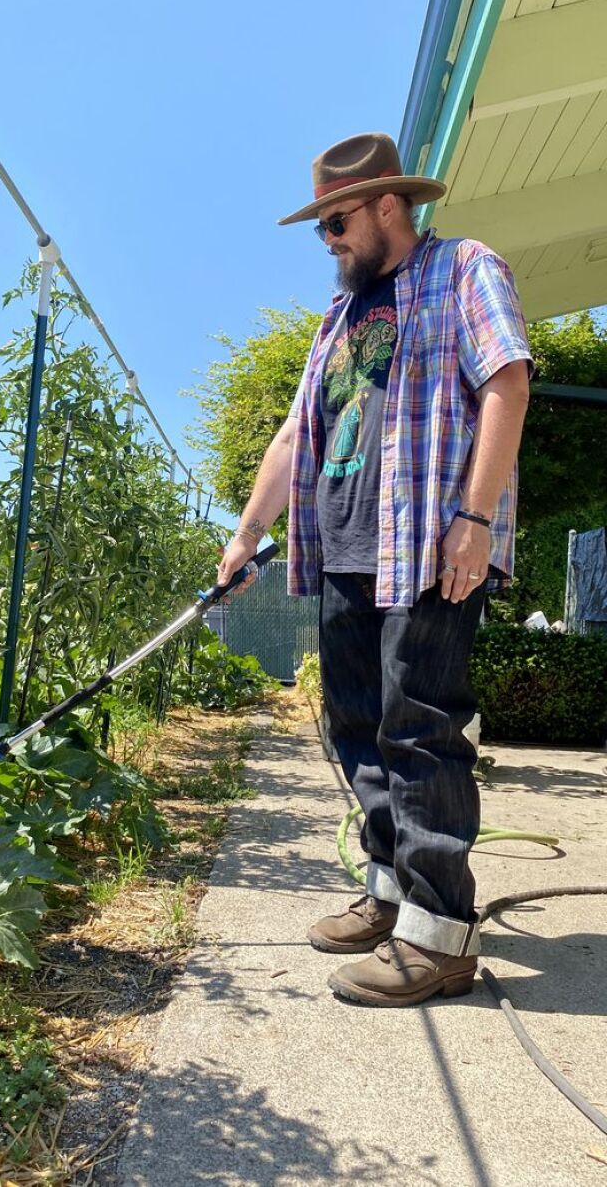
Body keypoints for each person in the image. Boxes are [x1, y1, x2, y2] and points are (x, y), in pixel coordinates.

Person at [217, 132, 531, 1007]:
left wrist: (473, 519)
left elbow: (506, 379)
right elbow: (292, 436)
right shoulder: (339, 318)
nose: (329, 241)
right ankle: (390, 896)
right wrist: (246, 534)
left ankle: (439, 938)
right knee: (358, 733)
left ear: (388, 203)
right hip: (346, 550)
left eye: (336, 222)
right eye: (321, 227)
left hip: (429, 544)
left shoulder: (464, 267)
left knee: (419, 730)